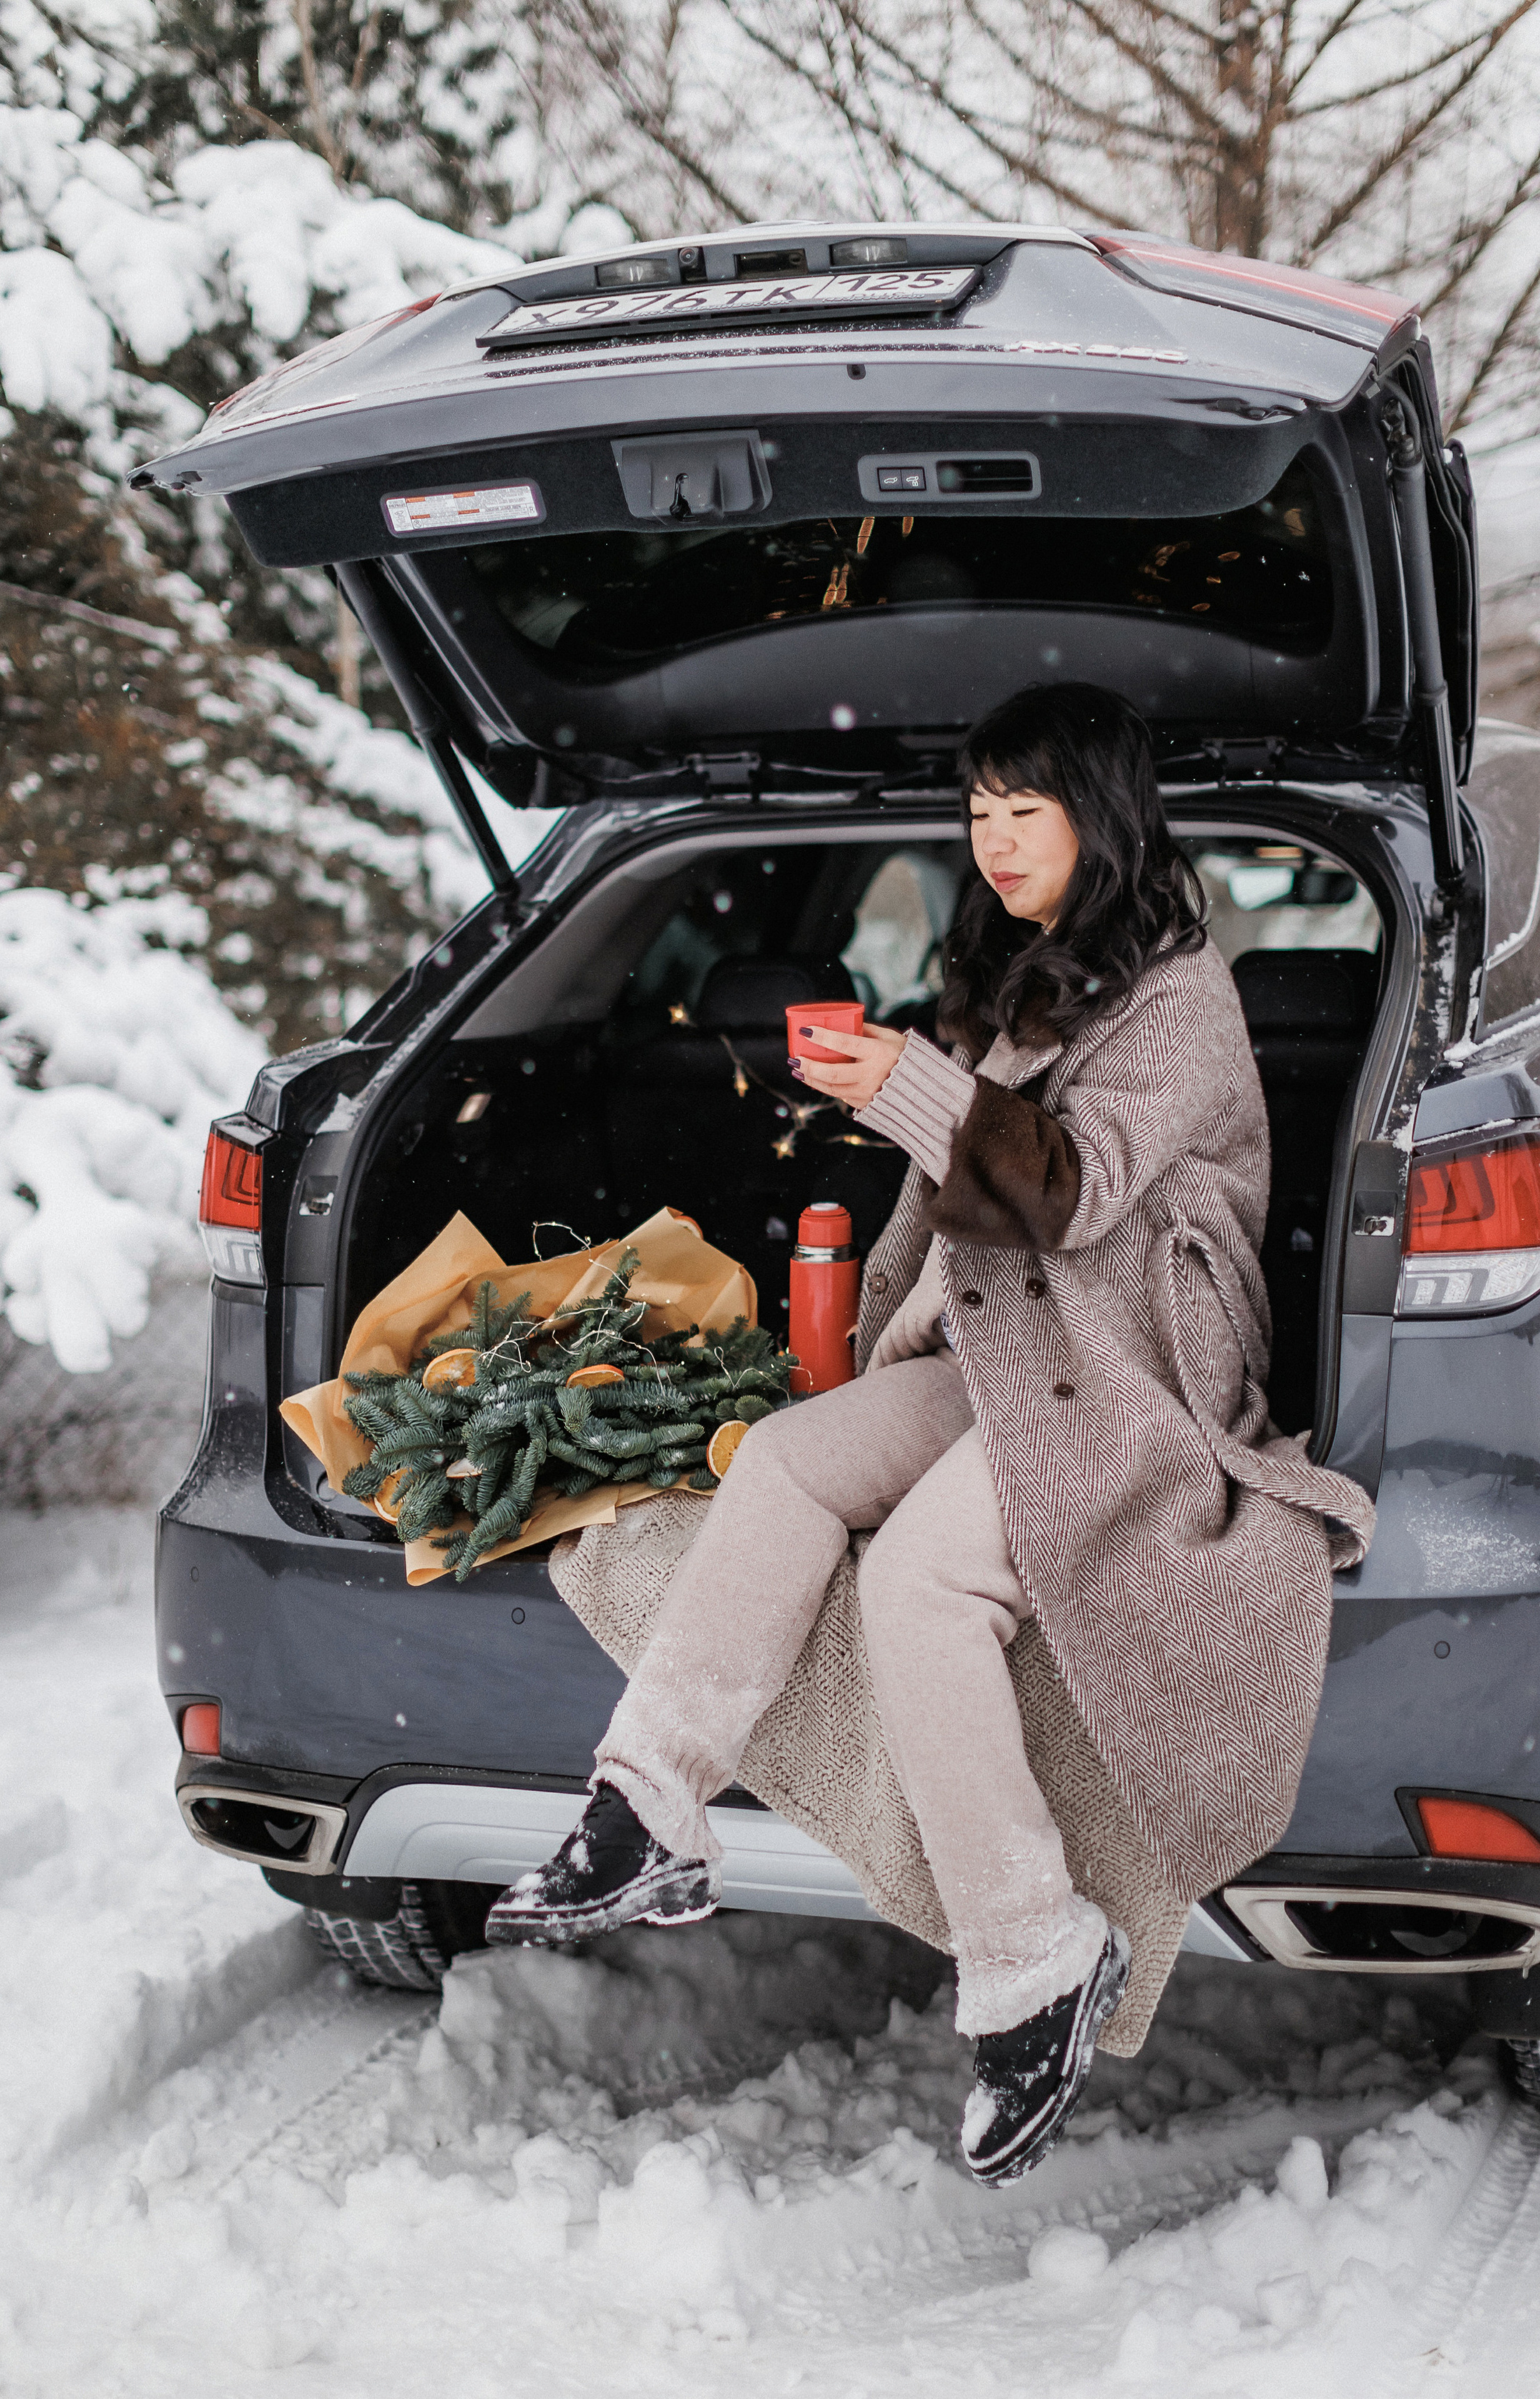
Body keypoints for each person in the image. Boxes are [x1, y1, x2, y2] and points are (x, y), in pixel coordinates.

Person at [484, 682, 1374, 2186]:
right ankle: (648, 1806)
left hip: (1128, 1378)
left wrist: (904, 1081)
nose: (993, 838)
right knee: (789, 1463)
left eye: (1025, 809)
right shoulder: (1021, 980)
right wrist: (874, 1334)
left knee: (918, 1581)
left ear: (1102, 818)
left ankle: (1034, 1953)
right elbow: (941, 1211)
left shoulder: (1180, 1000)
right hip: (1005, 1350)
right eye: (976, 811)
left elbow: (1072, 1191)